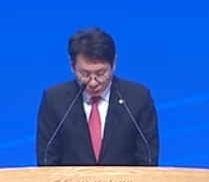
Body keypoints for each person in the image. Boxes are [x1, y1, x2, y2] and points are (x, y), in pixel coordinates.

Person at [35, 27, 160, 167]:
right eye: (85, 74)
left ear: (114, 63)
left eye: (101, 73)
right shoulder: (54, 100)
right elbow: (47, 159)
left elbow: (148, 159)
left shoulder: (138, 99)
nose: (93, 82)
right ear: (72, 66)